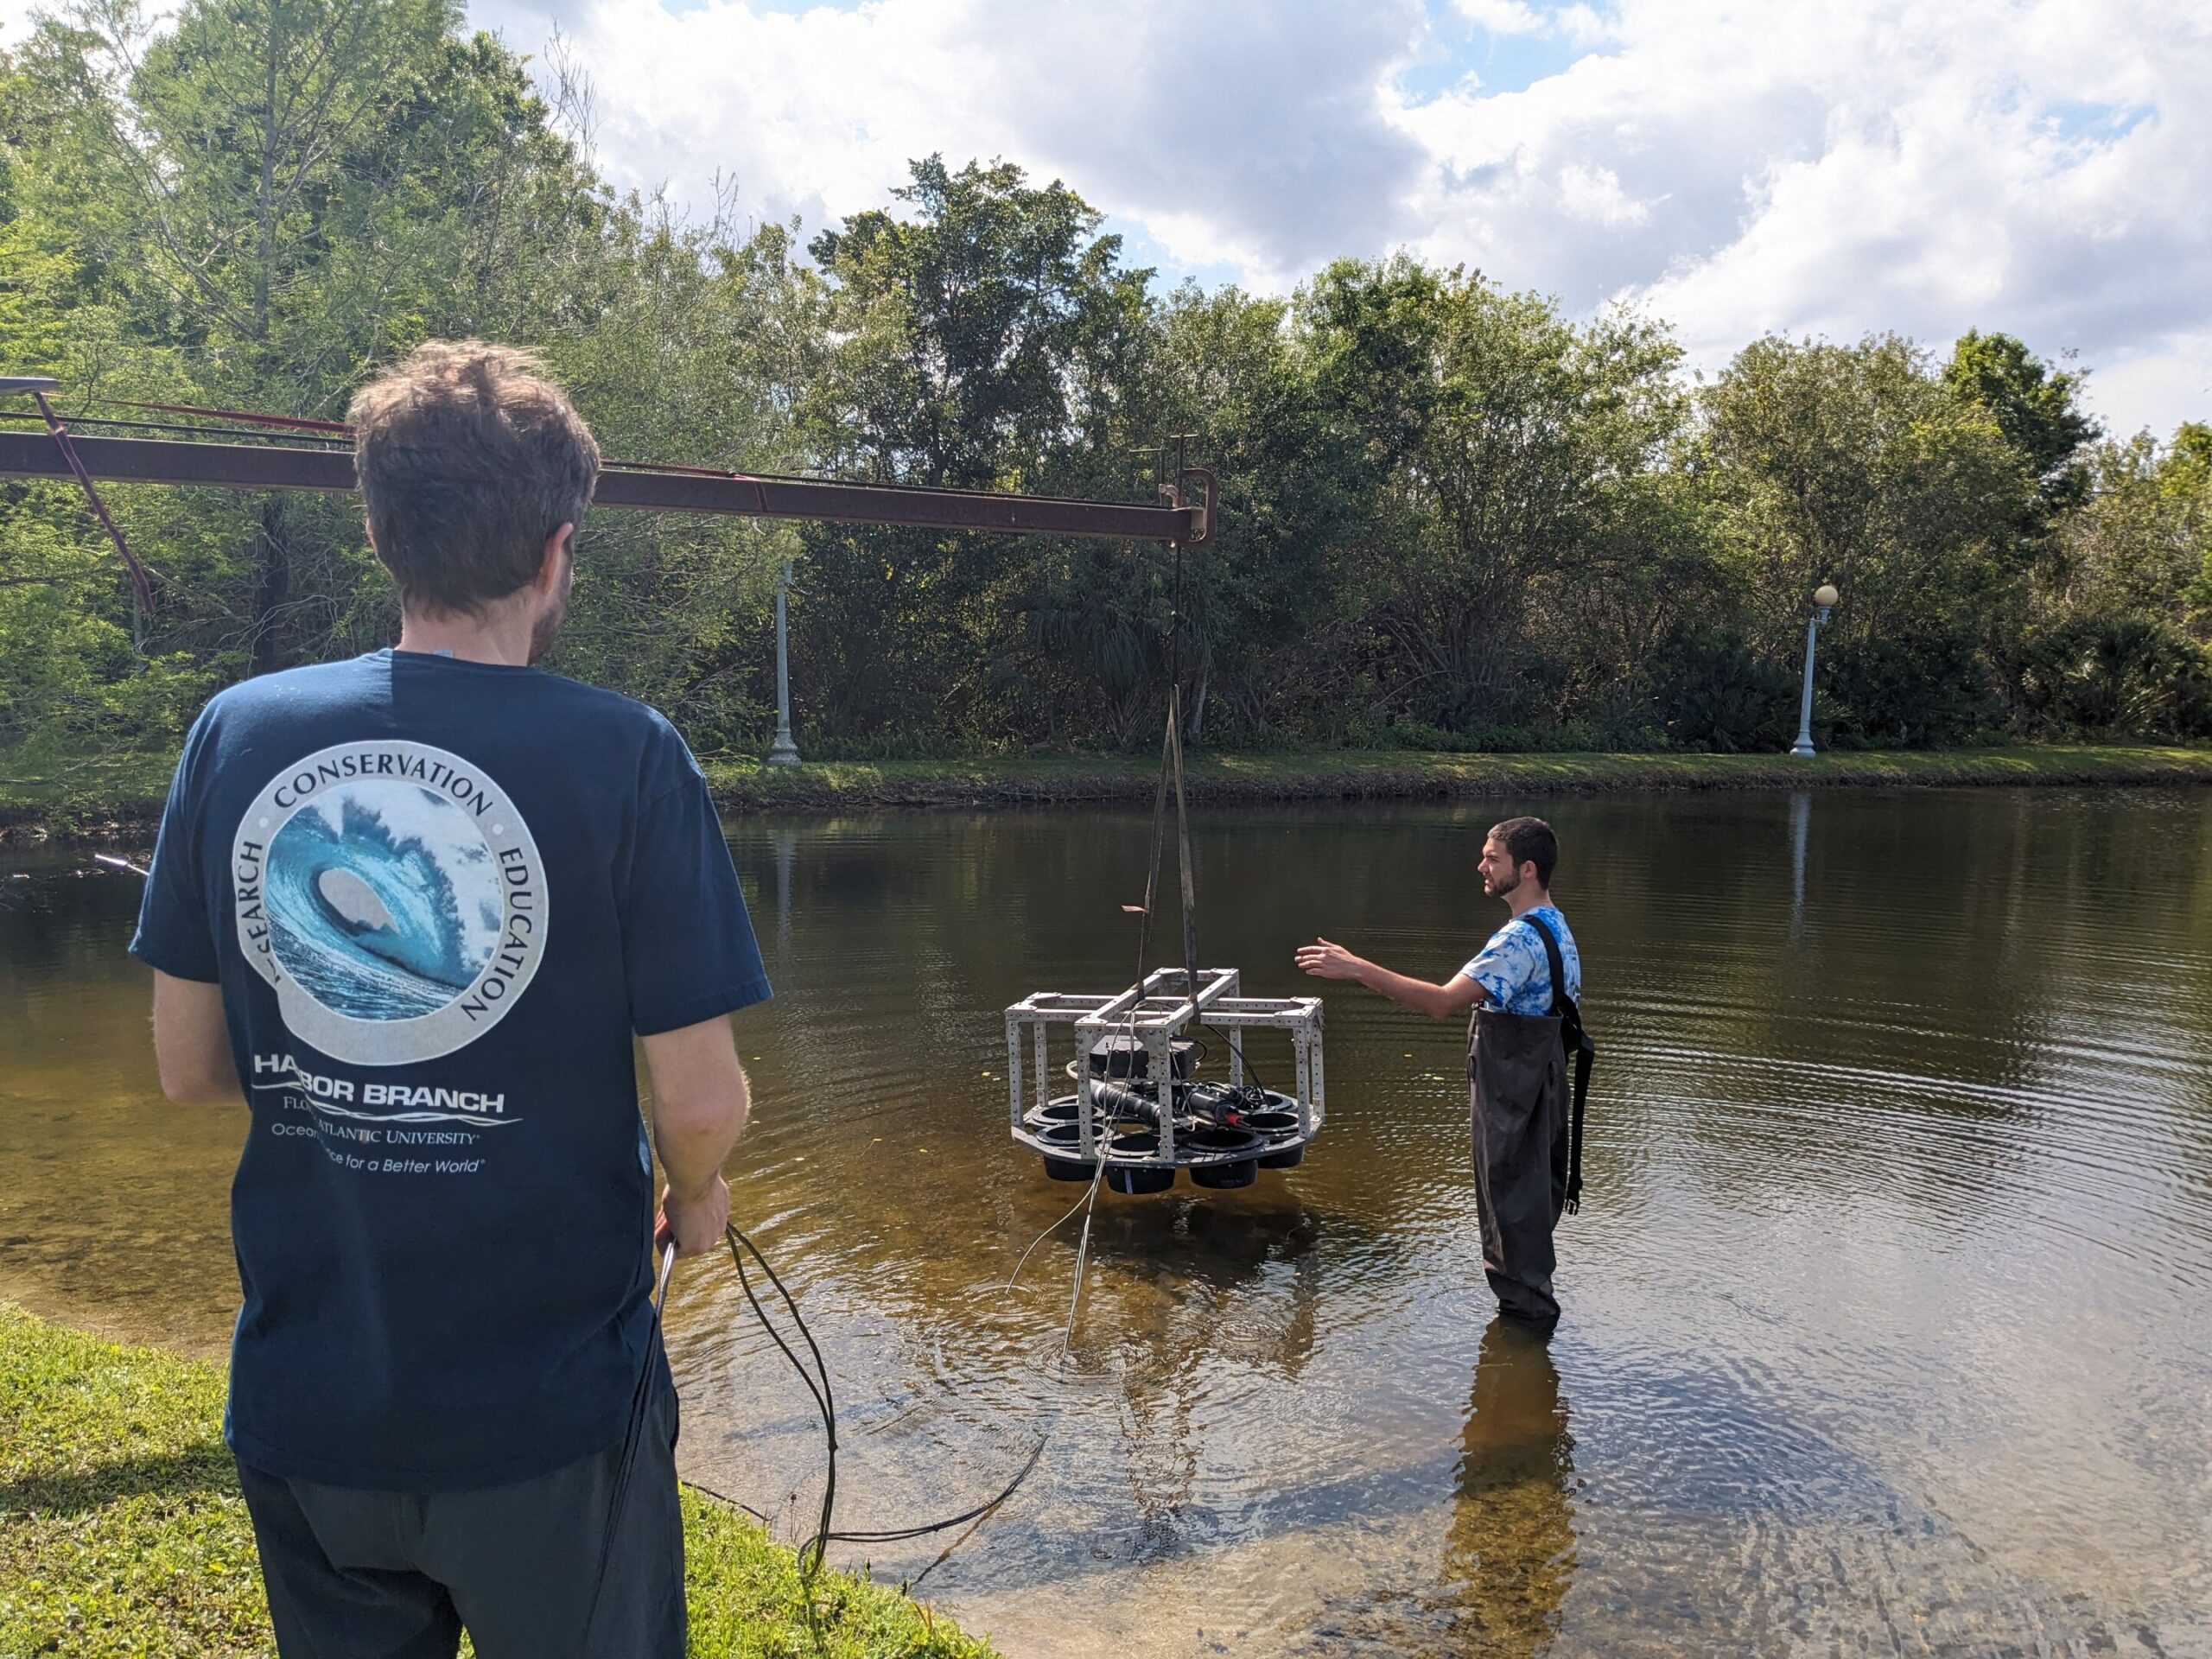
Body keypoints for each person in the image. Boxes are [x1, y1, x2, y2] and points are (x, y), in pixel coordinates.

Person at [131, 340, 769, 1658]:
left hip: (312, 1403)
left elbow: (190, 1067)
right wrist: (696, 1192)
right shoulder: (627, 754)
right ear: (556, 551)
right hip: (549, 1421)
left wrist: (360, 1062)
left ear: (377, 533)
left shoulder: (236, 732)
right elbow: (699, 1097)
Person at [1295, 816, 1581, 1327]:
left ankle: (1523, 1347)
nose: (1482, 866)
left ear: (1528, 869)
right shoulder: (1556, 925)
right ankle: (1524, 1364)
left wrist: (1357, 967)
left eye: (1493, 858)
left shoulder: (1519, 940)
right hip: (1541, 1089)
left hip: (1517, 1100)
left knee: (1512, 1215)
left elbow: (1442, 1003)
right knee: (1527, 1211)